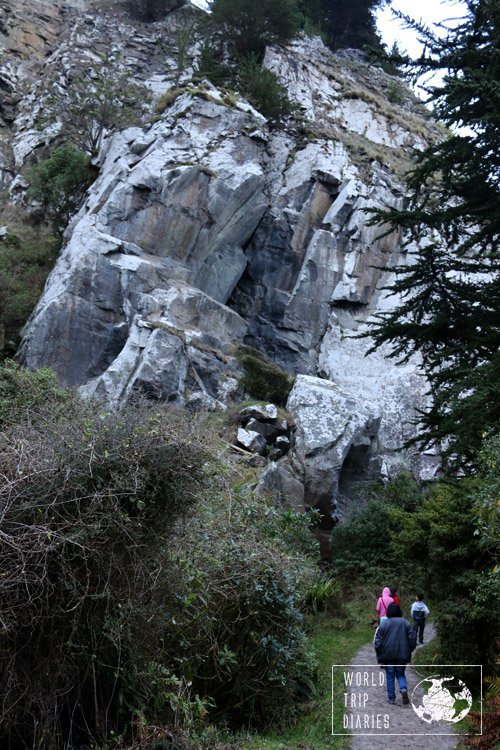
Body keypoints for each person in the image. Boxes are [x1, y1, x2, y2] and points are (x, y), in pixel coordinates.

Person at [374, 602, 417, 705]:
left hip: (388, 655)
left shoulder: (384, 624)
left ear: (388, 612)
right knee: (401, 673)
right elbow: (412, 638)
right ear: (399, 611)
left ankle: (391, 698)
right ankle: (403, 689)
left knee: (390, 676)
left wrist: (380, 653)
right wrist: (409, 649)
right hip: (402, 655)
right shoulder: (405, 623)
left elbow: (377, 641)